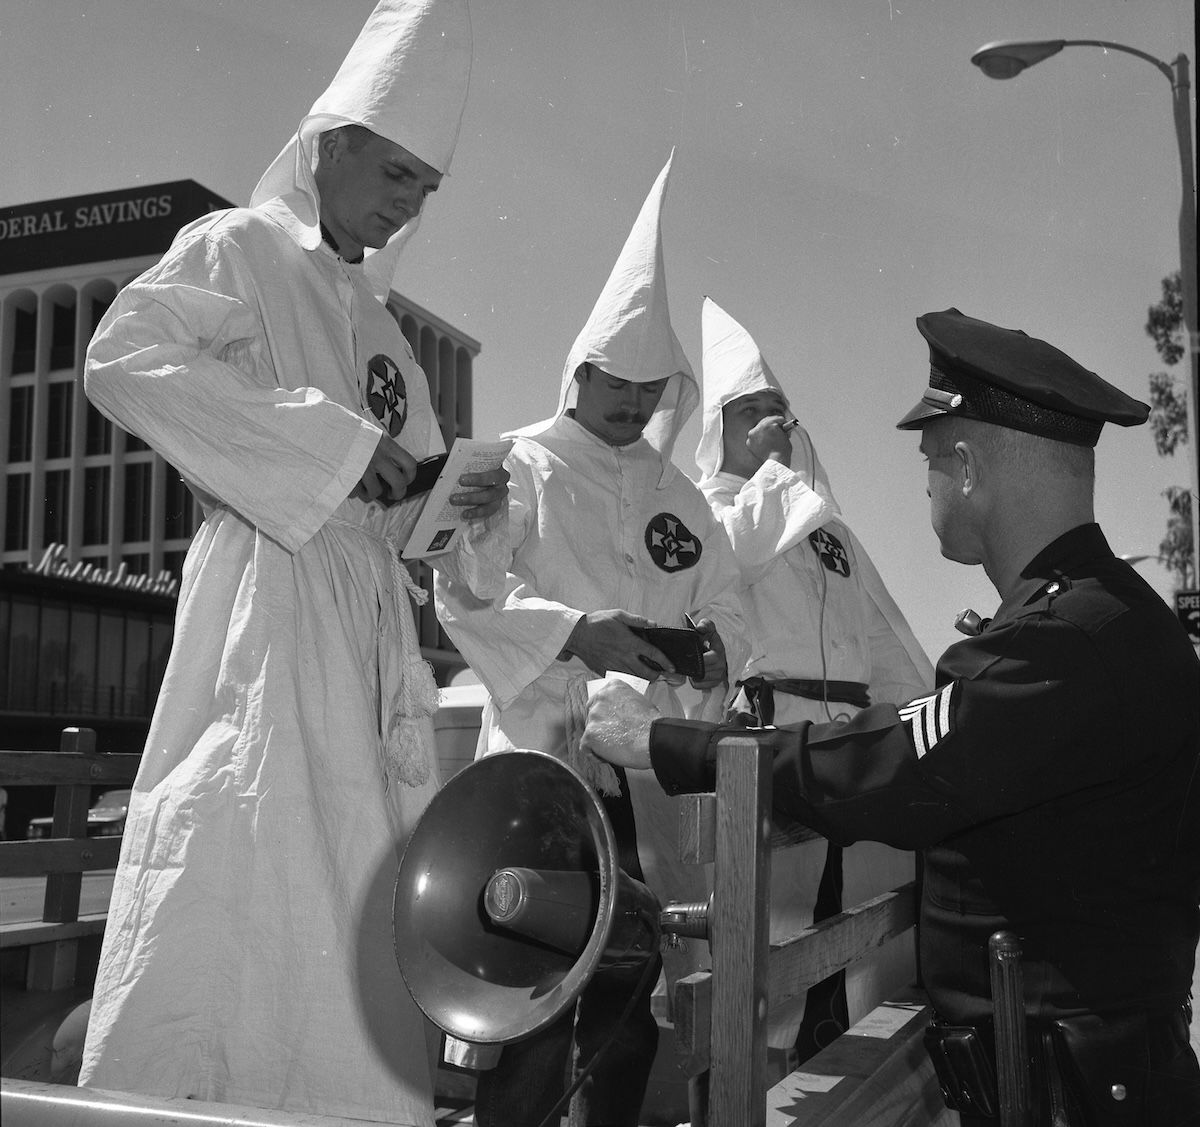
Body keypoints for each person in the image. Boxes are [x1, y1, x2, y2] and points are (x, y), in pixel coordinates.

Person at [583, 308, 1200, 1126]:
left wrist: (663, 740)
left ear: (969, 466)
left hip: (1072, 1097)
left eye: (933, 463)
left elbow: (879, 764)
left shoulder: (1057, 645)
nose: (927, 485)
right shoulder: (1106, 619)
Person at [78, 3, 508, 1124]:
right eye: (397, 171)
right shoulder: (239, 247)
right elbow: (122, 359)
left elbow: (403, 505)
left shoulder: (382, 328)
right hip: (266, 604)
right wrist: (326, 441)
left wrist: (453, 500)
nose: (409, 200)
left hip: (363, 625)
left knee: (355, 882)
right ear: (331, 143)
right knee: (257, 857)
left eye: (425, 187)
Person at [435, 153, 746, 1127]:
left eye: (654, 387)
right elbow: (465, 587)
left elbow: (732, 612)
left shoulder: (685, 499)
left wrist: (701, 652)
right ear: (581, 364)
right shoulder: (515, 464)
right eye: (617, 380)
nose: (633, 402)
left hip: (641, 781)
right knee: (526, 978)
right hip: (537, 773)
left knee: (630, 991)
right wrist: (580, 632)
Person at [695, 296, 934, 1060]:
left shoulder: (827, 531)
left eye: (781, 411)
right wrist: (770, 475)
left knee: (856, 937)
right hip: (778, 737)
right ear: (720, 428)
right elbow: (728, 564)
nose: (774, 423)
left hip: (853, 742)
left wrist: (928, 708)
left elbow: (882, 630)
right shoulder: (708, 510)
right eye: (753, 411)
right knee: (775, 944)